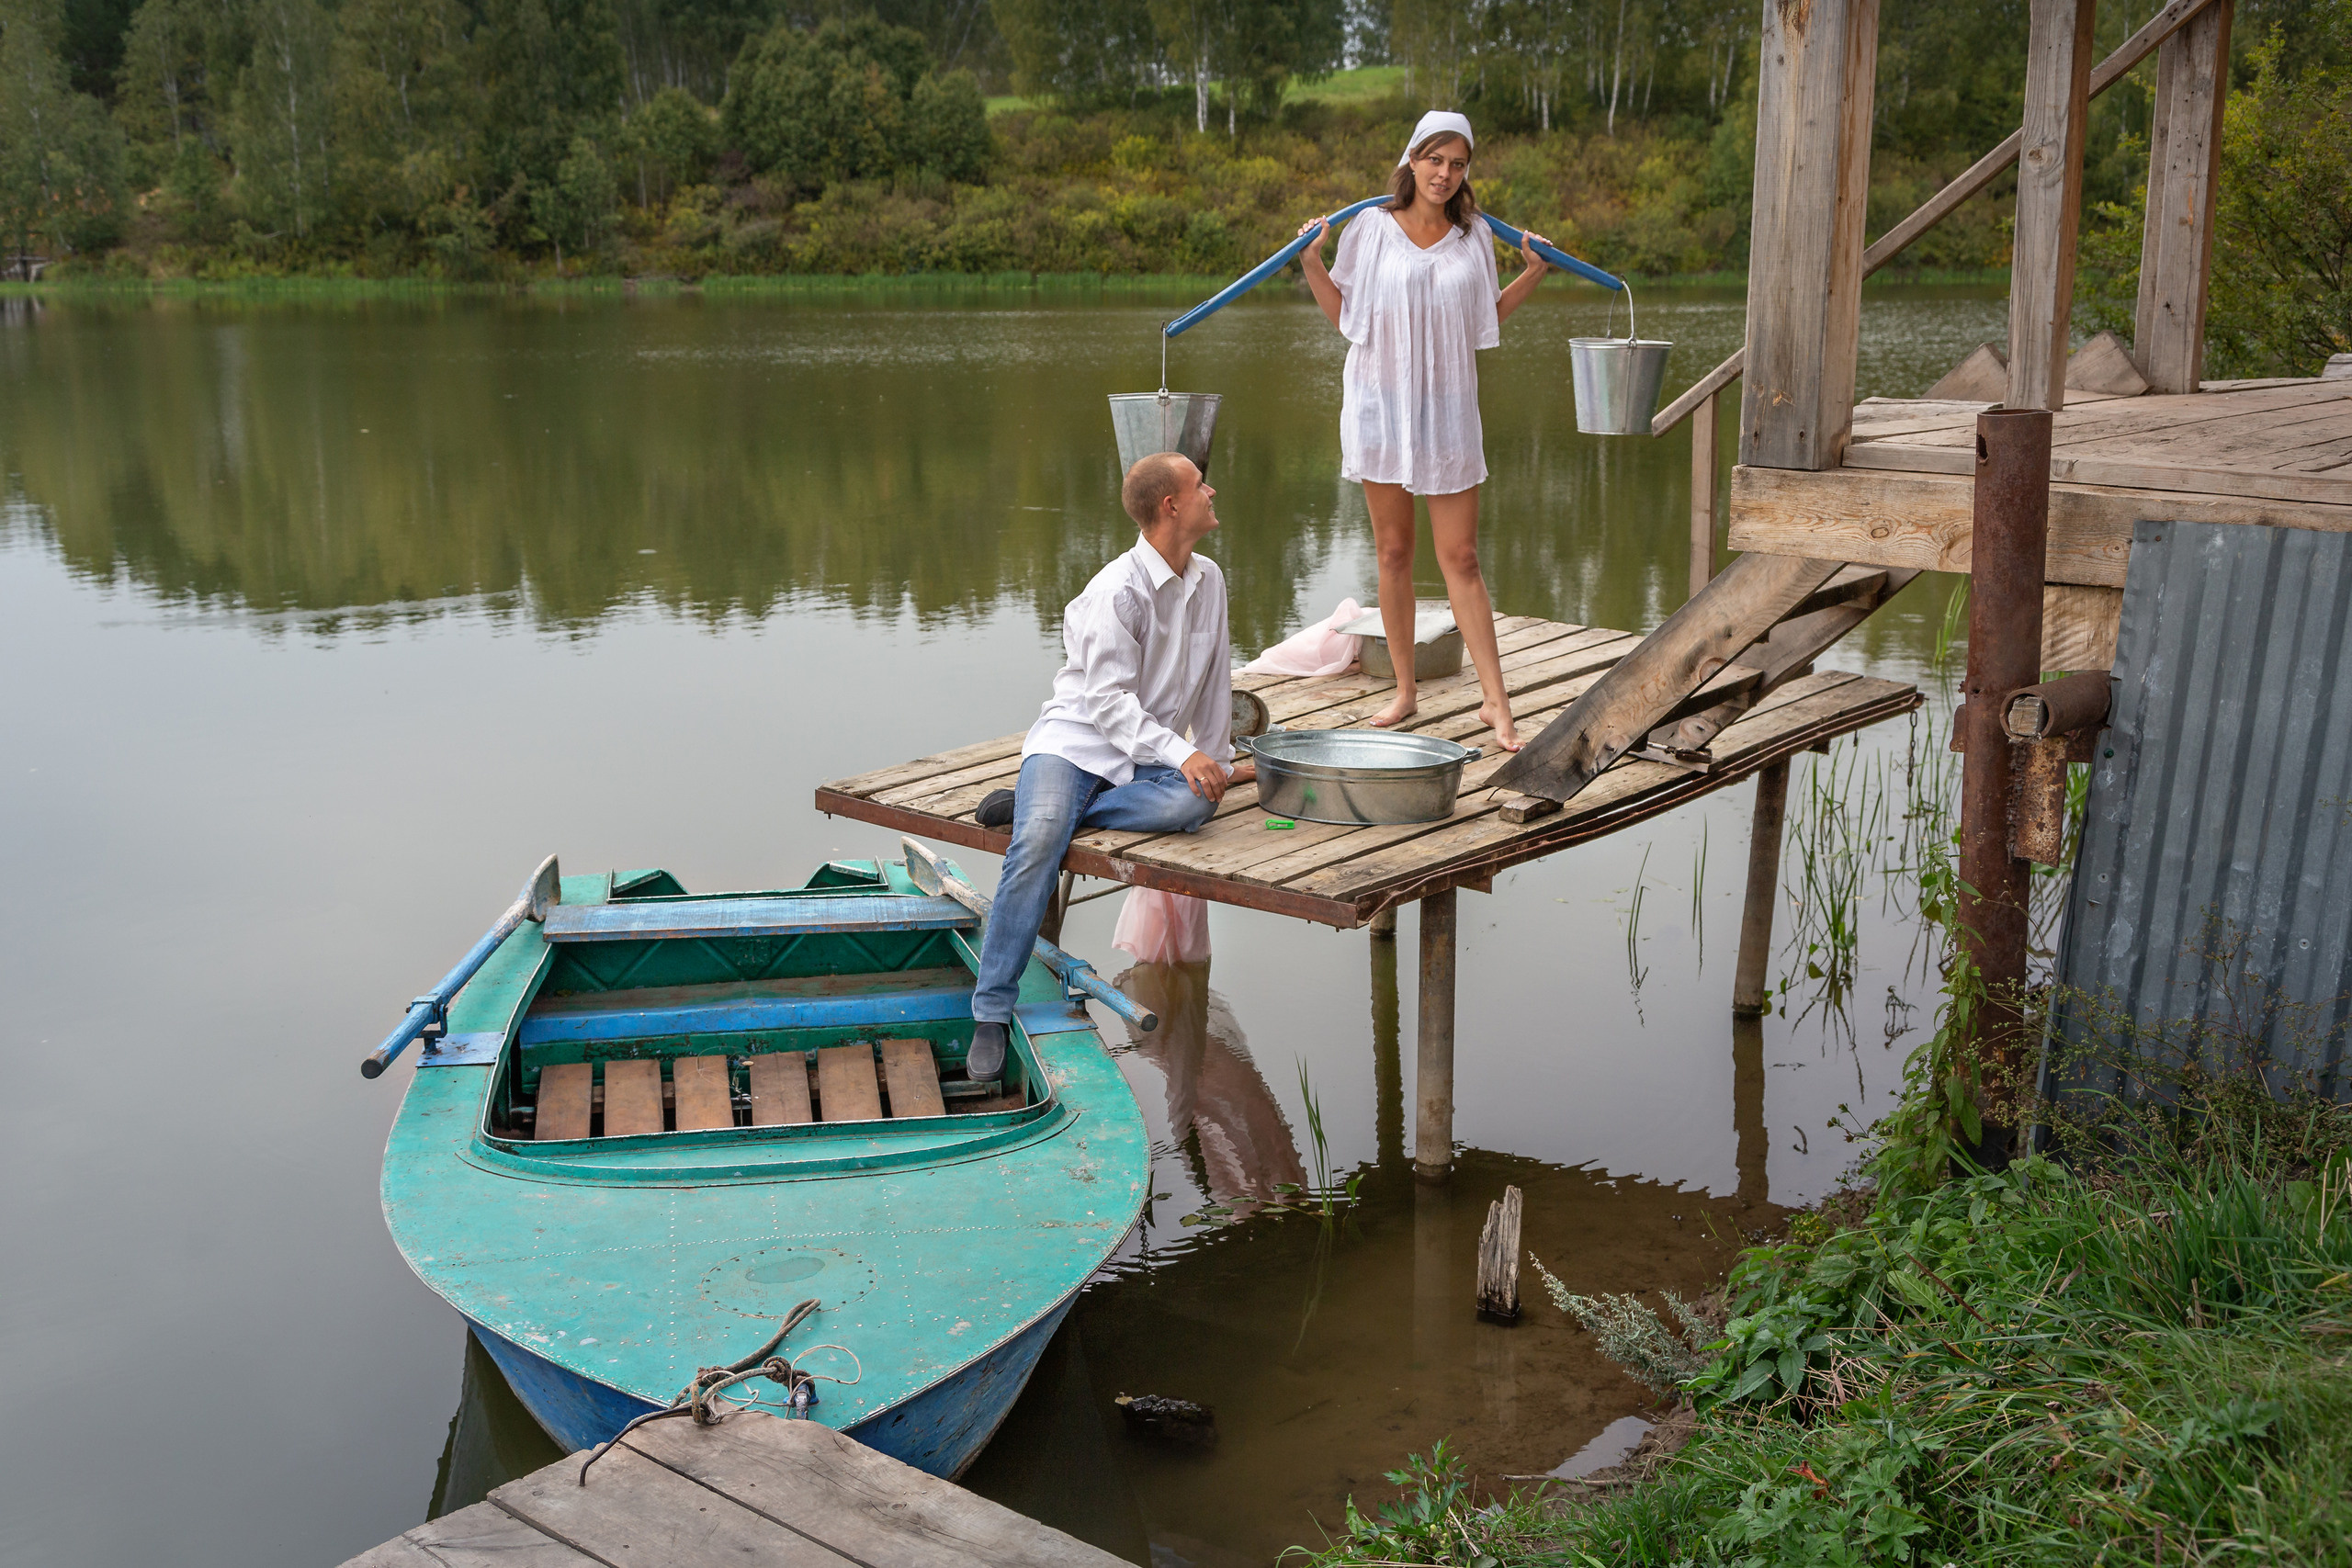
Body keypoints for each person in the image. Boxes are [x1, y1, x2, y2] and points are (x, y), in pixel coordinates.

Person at [962, 451, 1251, 1080]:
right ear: (1171, 506)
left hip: (1141, 757)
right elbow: (1109, 705)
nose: (1212, 490)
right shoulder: (1115, 592)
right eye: (1200, 485)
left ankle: (1047, 808)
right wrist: (1184, 752)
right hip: (1075, 746)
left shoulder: (1210, 581)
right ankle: (990, 1009)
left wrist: (1219, 761)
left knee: (1196, 803)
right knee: (1038, 843)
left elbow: (1214, 684)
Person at [1295, 109, 1558, 751]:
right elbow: (1346, 319)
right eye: (1434, 159)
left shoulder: (1471, 238)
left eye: (1458, 163)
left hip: (1446, 413)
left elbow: (1482, 323)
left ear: (1467, 171)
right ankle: (1405, 691)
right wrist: (1310, 261)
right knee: (1393, 553)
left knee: (1461, 557)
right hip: (1380, 406)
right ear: (1411, 159)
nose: (1444, 174)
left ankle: (1497, 704)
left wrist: (1532, 272)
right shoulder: (1368, 228)